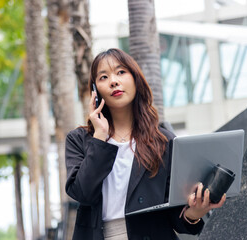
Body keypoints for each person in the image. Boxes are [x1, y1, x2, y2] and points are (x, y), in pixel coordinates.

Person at [65, 48, 226, 240]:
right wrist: (100, 136)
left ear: (136, 79)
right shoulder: (79, 139)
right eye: (103, 77)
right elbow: (83, 193)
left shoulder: (164, 141)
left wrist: (195, 213)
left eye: (121, 72)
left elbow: (174, 215)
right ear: (95, 91)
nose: (113, 81)